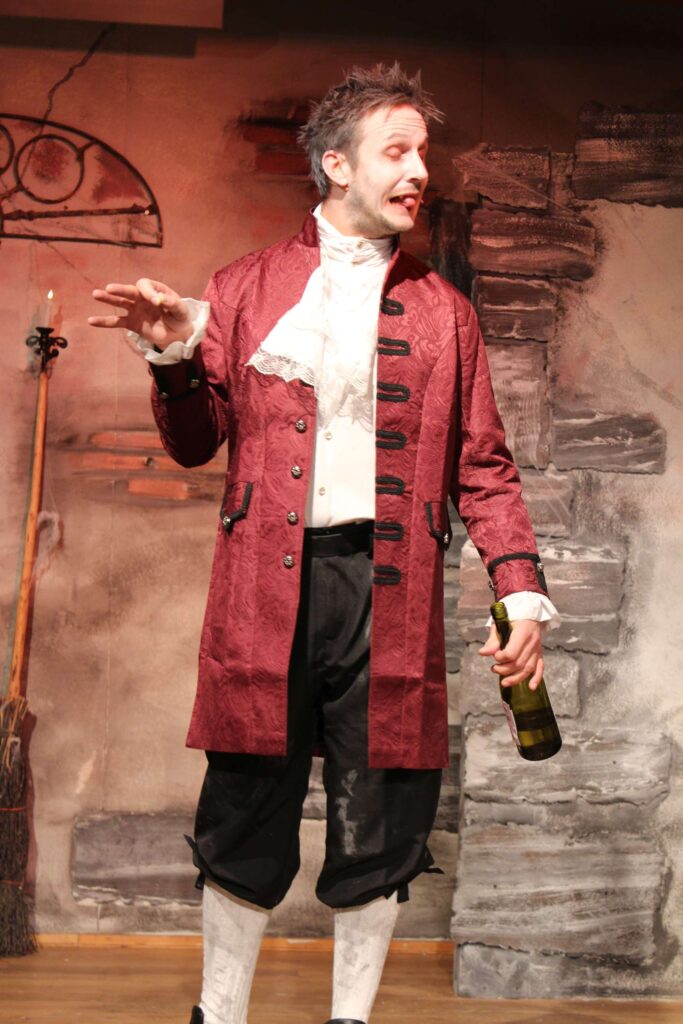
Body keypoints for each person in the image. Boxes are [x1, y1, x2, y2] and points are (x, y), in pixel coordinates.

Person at [89, 63, 558, 1024]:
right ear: (336, 164)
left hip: (389, 592)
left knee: (382, 807)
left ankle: (351, 1020)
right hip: (264, 589)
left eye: (423, 153)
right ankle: (218, 1015)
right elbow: (194, 445)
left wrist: (519, 593)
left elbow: (483, 468)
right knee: (245, 803)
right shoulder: (243, 288)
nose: (419, 170)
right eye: (398, 151)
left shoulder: (445, 313)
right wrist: (174, 356)